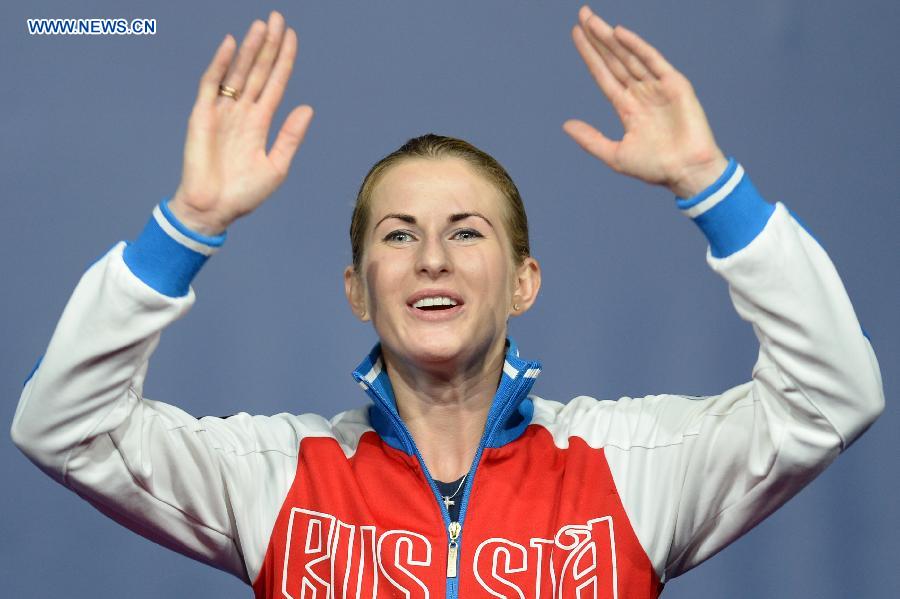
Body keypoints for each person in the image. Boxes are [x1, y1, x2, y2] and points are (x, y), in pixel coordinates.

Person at [11, 5, 884, 598]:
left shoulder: (635, 463)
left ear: (523, 281)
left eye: (467, 231)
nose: (431, 257)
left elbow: (833, 395)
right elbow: (62, 425)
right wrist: (189, 222)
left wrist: (709, 182)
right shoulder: (273, 475)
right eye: (397, 234)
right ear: (358, 292)